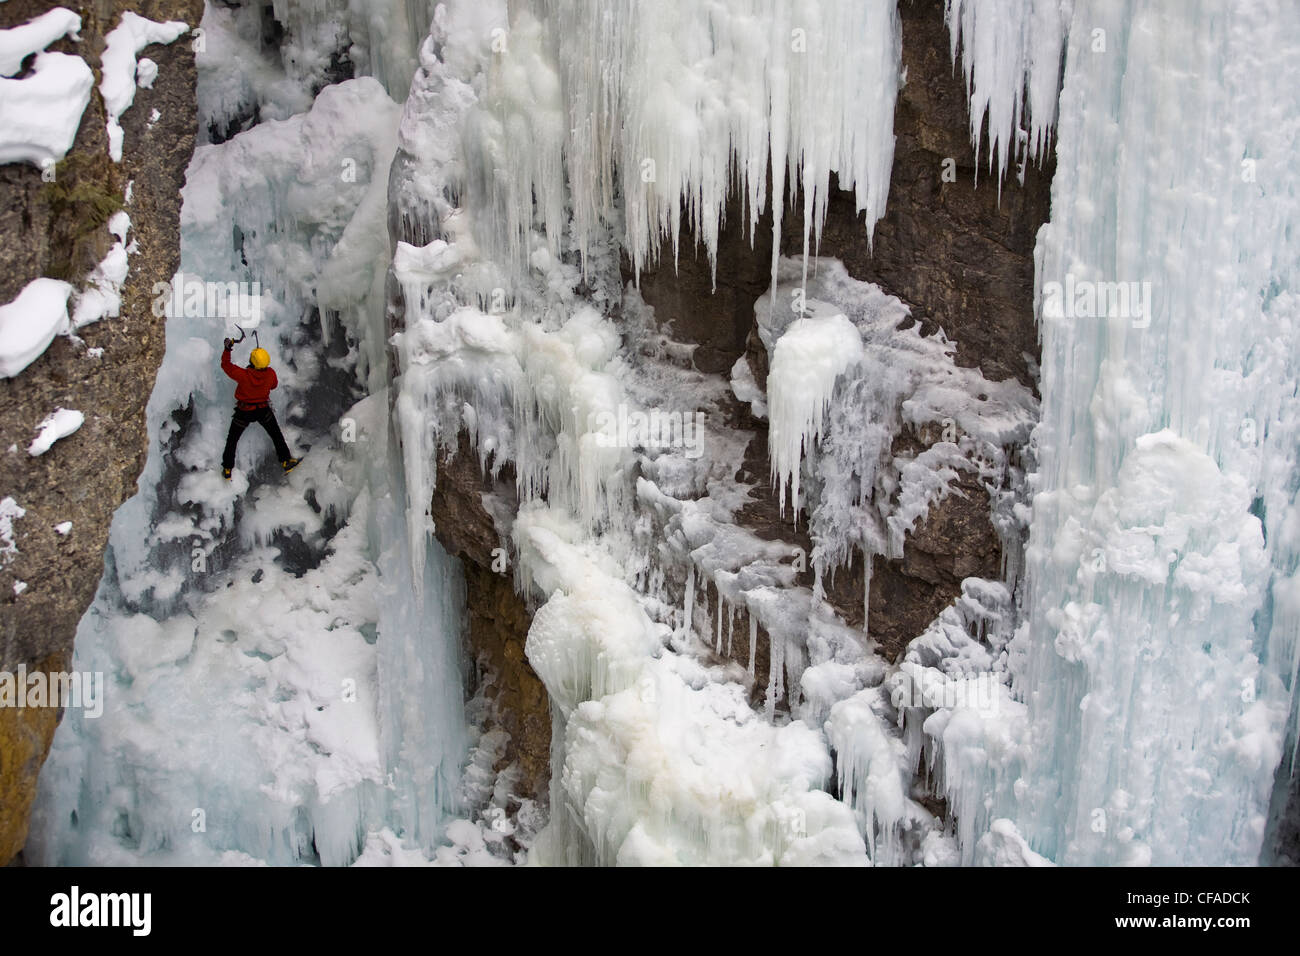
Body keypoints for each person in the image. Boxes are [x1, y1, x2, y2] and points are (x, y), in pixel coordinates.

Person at [219, 337, 300, 479]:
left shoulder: (243, 375)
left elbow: (226, 365)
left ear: (252, 362)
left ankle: (227, 469)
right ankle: (286, 461)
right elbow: (273, 385)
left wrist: (227, 349)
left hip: (244, 412)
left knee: (232, 440)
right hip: (263, 411)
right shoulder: (270, 374)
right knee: (276, 436)